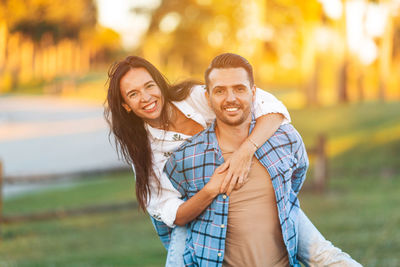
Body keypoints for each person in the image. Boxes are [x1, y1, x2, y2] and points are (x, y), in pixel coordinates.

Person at [104, 55, 361, 266]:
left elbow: (272, 109)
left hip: (249, 190)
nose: (146, 97)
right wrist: (211, 189)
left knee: (324, 255)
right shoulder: (147, 154)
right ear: (126, 105)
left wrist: (245, 152)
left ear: (159, 83)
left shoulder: (197, 96)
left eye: (149, 86)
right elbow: (176, 215)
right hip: (196, 211)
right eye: (133, 94)